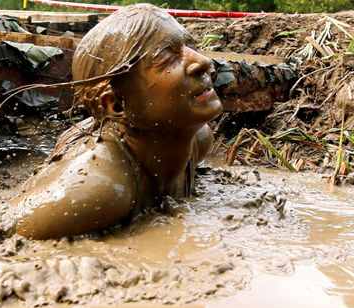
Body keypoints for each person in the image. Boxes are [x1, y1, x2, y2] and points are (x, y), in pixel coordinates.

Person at [11, 3, 223, 240]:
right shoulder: (98, 189)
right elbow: (3, 229)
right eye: (165, 56)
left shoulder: (199, 140)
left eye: (188, 46)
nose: (203, 61)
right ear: (118, 104)